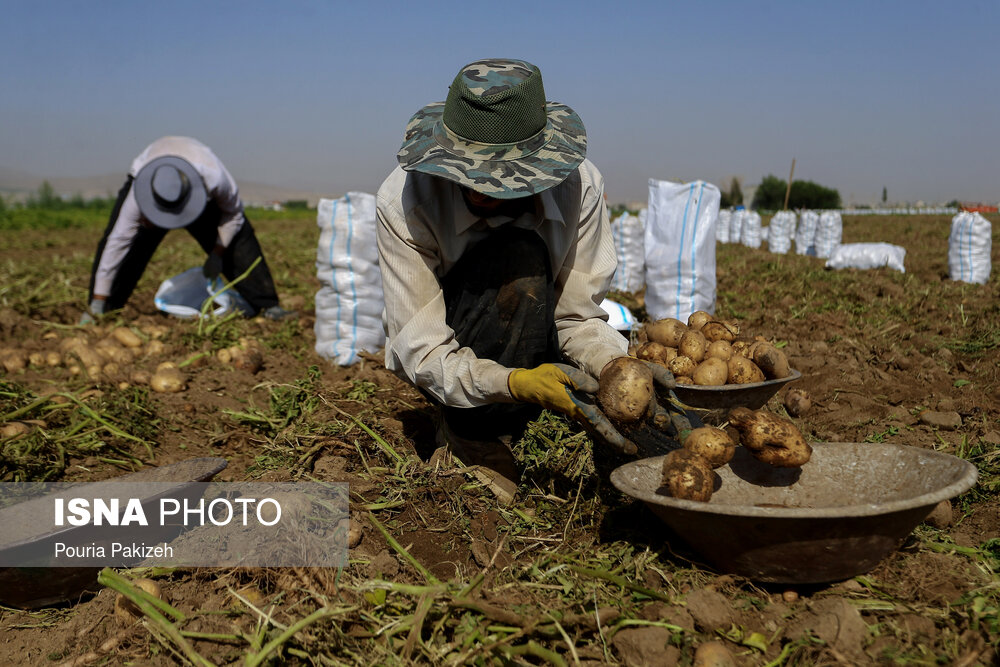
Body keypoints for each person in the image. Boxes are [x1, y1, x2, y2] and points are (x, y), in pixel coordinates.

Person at [375, 59, 673, 502]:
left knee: (653, 447)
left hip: (541, 336)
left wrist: (615, 367)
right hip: (456, 355)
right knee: (517, 257)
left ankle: (533, 411)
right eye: (466, 172)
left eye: (497, 179)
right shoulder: (405, 203)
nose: (478, 190)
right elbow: (423, 349)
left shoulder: (580, 189)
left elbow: (575, 317)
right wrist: (512, 384)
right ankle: (469, 432)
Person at [81, 136, 294, 324]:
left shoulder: (215, 179)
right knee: (131, 250)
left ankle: (267, 305)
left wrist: (218, 252)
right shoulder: (139, 195)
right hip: (150, 186)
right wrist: (98, 299)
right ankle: (101, 309)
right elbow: (117, 242)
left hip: (202, 194)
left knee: (239, 241)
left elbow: (234, 215)